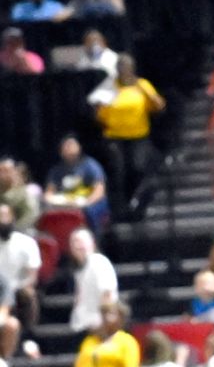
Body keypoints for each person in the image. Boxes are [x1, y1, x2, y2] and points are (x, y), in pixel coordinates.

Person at [91, 54, 163, 216]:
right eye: (120, 66)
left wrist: (149, 95)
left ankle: (137, 202)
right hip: (115, 137)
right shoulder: (109, 86)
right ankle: (119, 209)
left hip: (138, 136)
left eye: (126, 66)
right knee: (118, 170)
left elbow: (158, 105)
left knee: (138, 168)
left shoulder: (142, 84)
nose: (123, 69)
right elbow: (97, 113)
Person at [44, 135, 109, 232]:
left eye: (72, 145)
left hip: (88, 202)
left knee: (90, 211)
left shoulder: (90, 165)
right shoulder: (56, 170)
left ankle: (94, 240)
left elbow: (99, 190)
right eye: (66, 146)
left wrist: (86, 203)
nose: (69, 148)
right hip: (65, 203)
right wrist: (52, 201)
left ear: (79, 147)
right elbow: (49, 193)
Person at [68, 228, 118, 334]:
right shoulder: (80, 269)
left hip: (97, 326)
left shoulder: (98, 262)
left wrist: (104, 324)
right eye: (74, 242)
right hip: (84, 325)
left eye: (81, 242)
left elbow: (107, 294)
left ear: (92, 244)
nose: (77, 246)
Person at [0, 204, 38, 334]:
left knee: (29, 294)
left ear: (13, 218)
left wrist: (18, 287)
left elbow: (32, 275)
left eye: (5, 216)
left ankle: (28, 335)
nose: (2, 221)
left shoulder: (26, 243)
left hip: (19, 289)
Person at [74, 302, 139, 367]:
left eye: (110, 313)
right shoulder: (89, 341)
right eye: (102, 313)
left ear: (121, 319)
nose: (104, 317)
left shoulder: (127, 342)